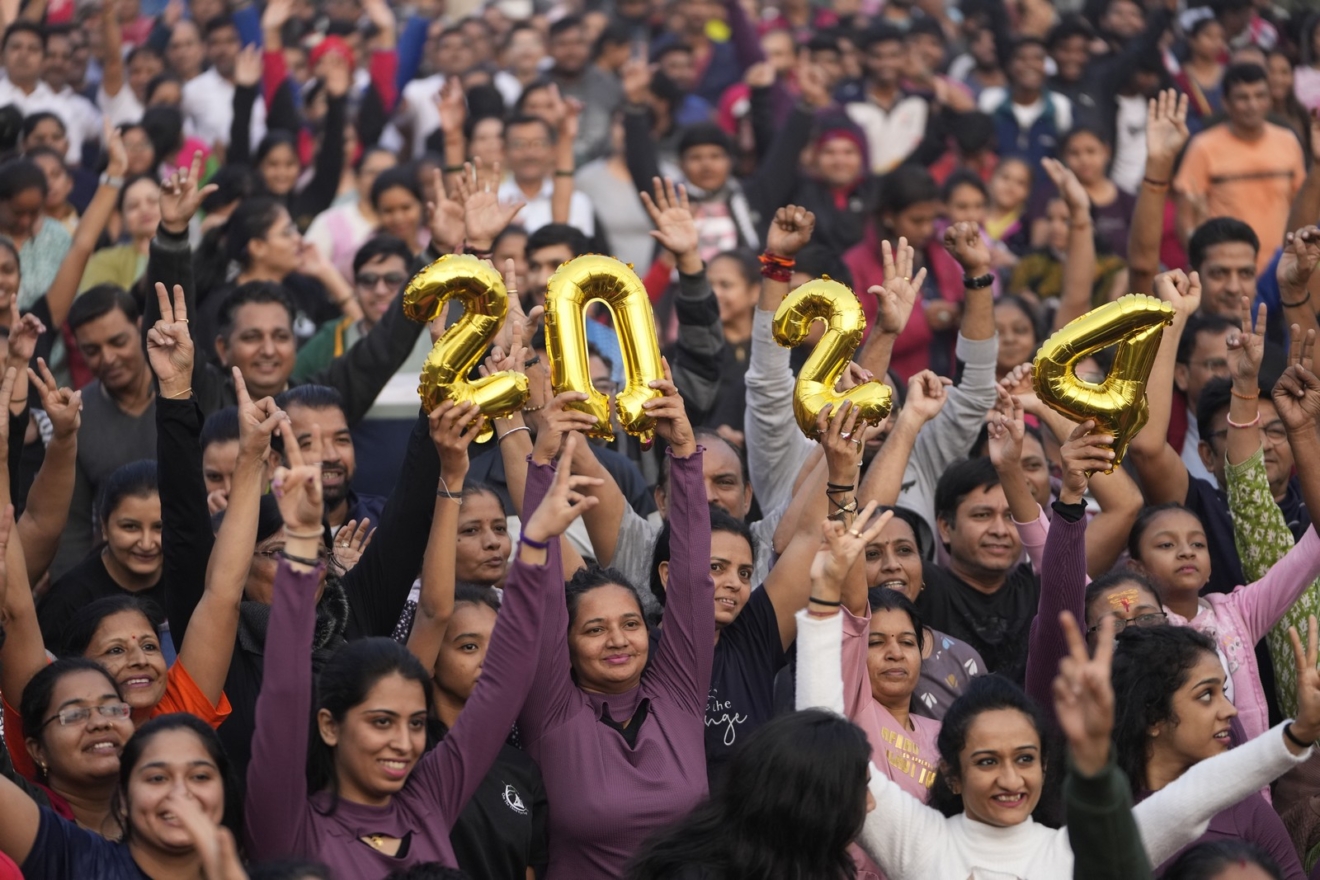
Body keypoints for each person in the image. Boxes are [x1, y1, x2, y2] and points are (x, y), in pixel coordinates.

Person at [798, 508, 1320, 878]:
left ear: (1045, 767)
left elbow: (1195, 796)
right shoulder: (915, 841)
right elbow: (824, 748)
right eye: (985, 762)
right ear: (952, 775)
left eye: (1024, 758)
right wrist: (823, 603)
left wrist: (1295, 738)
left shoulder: (1077, 855)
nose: (1009, 778)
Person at [243, 419, 597, 876]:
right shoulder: (288, 825)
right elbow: (284, 694)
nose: (404, 743)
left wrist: (531, 549)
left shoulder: (429, 798)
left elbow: (502, 685)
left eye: (415, 723)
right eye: (382, 722)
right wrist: (298, 551)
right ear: (329, 726)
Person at [512, 374, 713, 878]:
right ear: (568, 643)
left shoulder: (679, 693)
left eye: (630, 623)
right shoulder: (551, 710)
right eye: (595, 629)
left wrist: (685, 453)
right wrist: (541, 463)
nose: (619, 640)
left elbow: (691, 581)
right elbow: (537, 594)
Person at [401, 400, 547, 880]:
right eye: (470, 530)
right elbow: (435, 610)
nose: (493, 543)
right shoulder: (406, 754)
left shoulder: (521, 767)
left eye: (499, 528)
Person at [1110, 626, 1305, 878]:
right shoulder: (1104, 823)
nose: (1229, 711)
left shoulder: (1244, 807)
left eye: (1223, 691)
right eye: (1205, 695)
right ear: (1152, 717)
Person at [624, 709, 872, 880]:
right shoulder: (694, 874)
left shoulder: (805, 862)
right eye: (861, 788)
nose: (871, 803)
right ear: (811, 804)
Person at [0, 712, 236, 879]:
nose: (180, 793)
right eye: (157, 778)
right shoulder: (76, 860)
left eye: (200, 777)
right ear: (123, 798)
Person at [1175, 64, 1305, 272]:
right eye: (1243, 98)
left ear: (1269, 99)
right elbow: (1186, 218)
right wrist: (1203, 266)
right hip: (1229, 272)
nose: (1252, 104)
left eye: (1260, 95)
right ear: (1226, 103)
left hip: (1283, 270)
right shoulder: (1203, 147)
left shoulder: (1288, 141)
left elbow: (1302, 205)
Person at [77, 176, 161, 294]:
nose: (144, 209)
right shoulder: (104, 260)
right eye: (133, 206)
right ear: (122, 218)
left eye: (152, 201)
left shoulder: (189, 255)